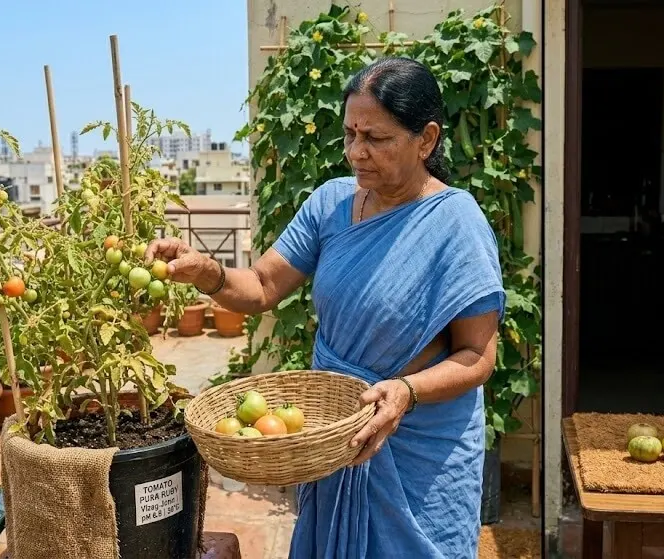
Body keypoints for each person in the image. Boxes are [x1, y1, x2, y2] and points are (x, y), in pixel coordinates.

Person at [146, 56, 505, 558]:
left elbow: (477, 356)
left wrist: (405, 392)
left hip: (418, 453)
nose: (357, 152)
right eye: (350, 135)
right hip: (338, 435)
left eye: (376, 138)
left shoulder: (457, 224)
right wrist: (206, 272)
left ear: (426, 139)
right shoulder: (332, 203)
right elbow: (263, 285)